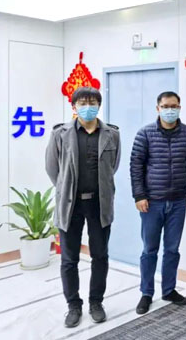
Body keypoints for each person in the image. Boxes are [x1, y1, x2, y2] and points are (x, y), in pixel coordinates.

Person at [45, 87, 121, 328]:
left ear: (99, 105)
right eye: (83, 103)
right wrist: (66, 189)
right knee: (69, 259)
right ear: (74, 106)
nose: (88, 107)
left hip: (99, 203)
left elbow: (113, 166)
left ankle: (96, 302)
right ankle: (73, 305)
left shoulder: (112, 134)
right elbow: (52, 169)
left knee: (100, 255)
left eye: (92, 102)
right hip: (71, 204)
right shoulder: (60, 133)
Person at [130, 91, 186, 315]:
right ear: (158, 108)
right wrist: (139, 196)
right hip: (152, 202)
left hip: (178, 201)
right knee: (149, 250)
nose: (170, 110)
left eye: (174, 106)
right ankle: (146, 293)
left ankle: (169, 290)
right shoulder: (145, 133)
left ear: (179, 107)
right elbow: (136, 167)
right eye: (166, 106)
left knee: (172, 249)